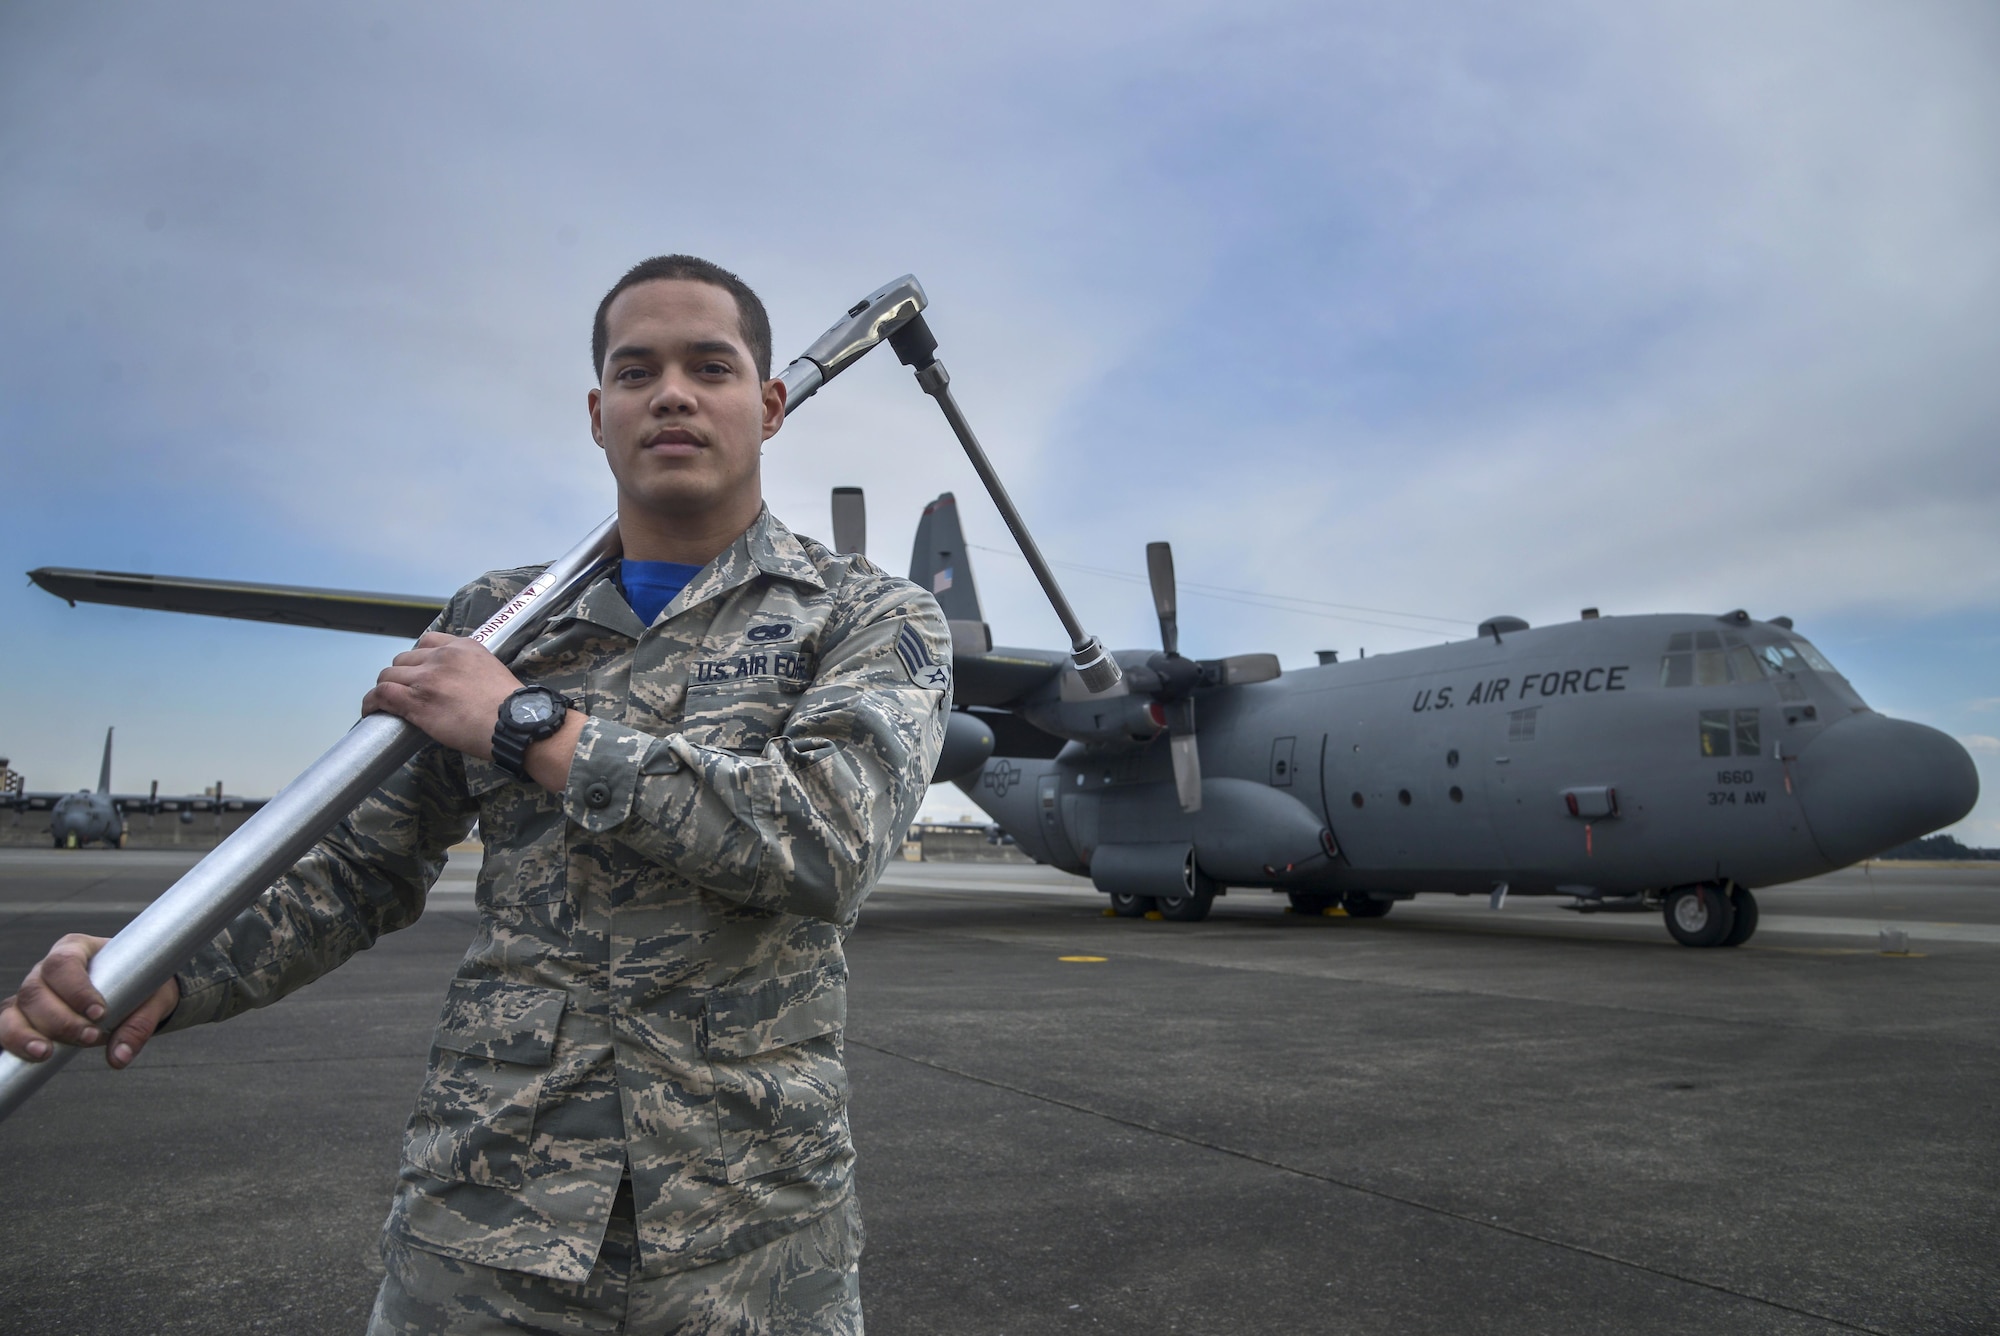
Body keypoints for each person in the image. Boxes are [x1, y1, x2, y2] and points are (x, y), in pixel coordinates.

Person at [0, 255, 951, 1333]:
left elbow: (824, 839)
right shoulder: (497, 622)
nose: (672, 393)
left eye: (710, 366)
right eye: (635, 371)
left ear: (769, 404)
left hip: (752, 1233)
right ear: (598, 413)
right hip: (491, 1208)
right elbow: (358, 866)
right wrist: (167, 968)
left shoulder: (871, 613)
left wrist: (527, 724)